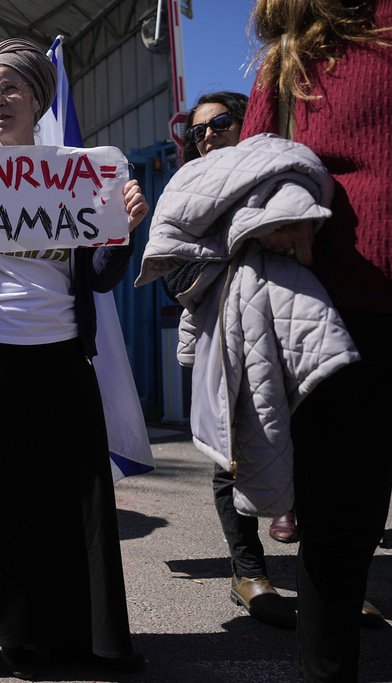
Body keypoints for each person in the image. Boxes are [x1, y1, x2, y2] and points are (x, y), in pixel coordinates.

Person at [0, 38, 149, 679]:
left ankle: (84, 634)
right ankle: (13, 632)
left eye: (11, 88)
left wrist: (122, 233)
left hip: (62, 357)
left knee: (73, 500)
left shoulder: (78, 173)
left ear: (39, 99)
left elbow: (98, 276)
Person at [241, 1, 392, 678]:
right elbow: (246, 181)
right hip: (340, 323)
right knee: (339, 531)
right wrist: (274, 216)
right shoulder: (287, 59)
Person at [168, 91, 299, 630]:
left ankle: (333, 582)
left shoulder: (282, 176)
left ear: (251, 124)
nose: (206, 135)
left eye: (219, 123)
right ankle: (249, 575)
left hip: (288, 335)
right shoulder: (187, 196)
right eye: (196, 131)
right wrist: (235, 246)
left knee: (313, 455)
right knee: (230, 459)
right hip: (217, 341)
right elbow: (172, 276)